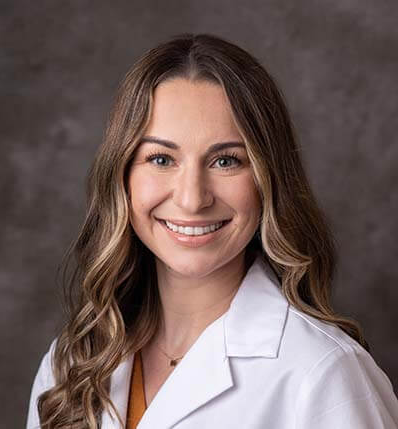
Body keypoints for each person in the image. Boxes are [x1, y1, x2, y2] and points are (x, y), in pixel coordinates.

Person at [26, 33, 398, 429]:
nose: (192, 199)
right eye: (161, 159)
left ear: (268, 180)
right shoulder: (71, 366)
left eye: (225, 161)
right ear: (122, 176)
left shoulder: (325, 375)